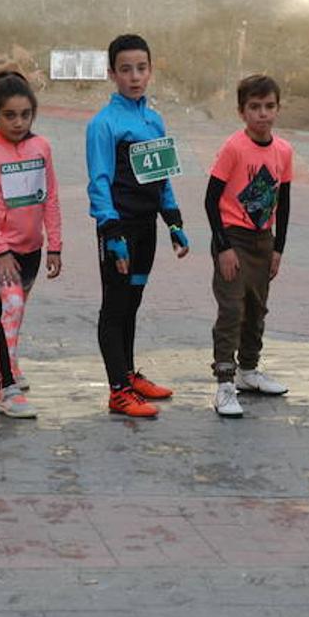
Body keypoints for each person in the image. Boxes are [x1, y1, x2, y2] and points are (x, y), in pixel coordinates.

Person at [85, 34, 189, 418]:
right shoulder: (103, 124)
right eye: (125, 69)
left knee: (133, 302)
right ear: (112, 73)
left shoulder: (153, 119)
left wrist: (174, 221)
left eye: (141, 68)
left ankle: (129, 375)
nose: (134, 76)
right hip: (119, 231)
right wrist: (111, 233)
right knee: (114, 307)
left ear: (151, 70)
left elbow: (161, 176)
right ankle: (117, 391)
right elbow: (98, 181)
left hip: (148, 228)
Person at [0, 70, 63, 419]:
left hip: (32, 248)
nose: (18, 122)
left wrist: (55, 245)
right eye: (9, 115)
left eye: (25, 114)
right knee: (11, 306)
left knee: (15, 311)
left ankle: (1, 358)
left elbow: (50, 197)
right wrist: (0, 249)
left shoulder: (42, 147)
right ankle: (4, 388)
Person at [206, 74, 294, 418]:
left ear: (277, 108)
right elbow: (211, 199)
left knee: (257, 308)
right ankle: (225, 382)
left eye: (269, 106)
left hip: (263, 240)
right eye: (254, 107)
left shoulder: (284, 151)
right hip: (233, 238)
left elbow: (284, 203)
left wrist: (278, 249)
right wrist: (223, 246)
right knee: (231, 308)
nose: (263, 114)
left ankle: (249, 370)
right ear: (242, 111)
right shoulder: (233, 148)